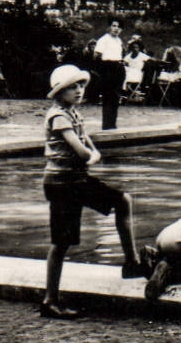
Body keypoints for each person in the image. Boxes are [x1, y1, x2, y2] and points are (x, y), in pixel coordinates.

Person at [39, 64, 145, 320]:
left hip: (76, 180)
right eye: (71, 87)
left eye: (80, 86)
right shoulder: (58, 117)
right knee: (61, 242)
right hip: (62, 183)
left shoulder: (73, 113)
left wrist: (92, 151)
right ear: (58, 92)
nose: (78, 91)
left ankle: (131, 263)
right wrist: (93, 156)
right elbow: (82, 151)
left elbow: (86, 139)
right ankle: (50, 300)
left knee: (123, 201)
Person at [92, 20, 126, 130]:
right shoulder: (103, 40)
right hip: (107, 68)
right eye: (114, 26)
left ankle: (113, 124)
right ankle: (106, 125)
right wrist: (102, 72)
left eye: (119, 27)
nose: (116, 29)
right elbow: (96, 56)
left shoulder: (119, 40)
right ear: (109, 27)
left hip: (118, 68)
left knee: (115, 97)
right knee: (108, 97)